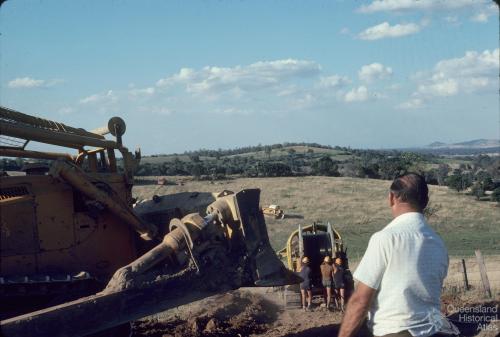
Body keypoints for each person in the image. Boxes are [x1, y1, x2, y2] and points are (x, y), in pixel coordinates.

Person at [339, 173, 450, 337]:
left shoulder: (385, 239)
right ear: (425, 203)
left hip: (394, 330)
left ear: (391, 198)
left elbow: (360, 300)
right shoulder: (438, 243)